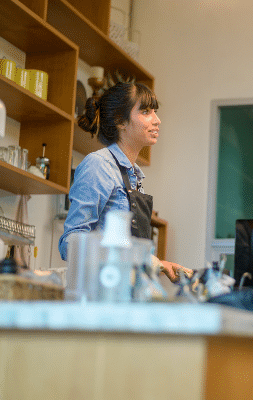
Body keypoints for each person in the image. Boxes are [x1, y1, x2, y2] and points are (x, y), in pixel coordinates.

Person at [59, 82, 192, 282]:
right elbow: (71, 243)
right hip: (100, 292)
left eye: (155, 111)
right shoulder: (99, 165)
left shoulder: (134, 175)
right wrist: (129, 257)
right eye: (146, 111)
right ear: (120, 121)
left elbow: (128, 246)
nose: (157, 120)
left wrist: (157, 263)